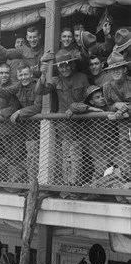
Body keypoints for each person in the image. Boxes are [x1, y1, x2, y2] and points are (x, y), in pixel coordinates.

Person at [38, 50, 89, 191]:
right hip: (64, 125)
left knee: (78, 155)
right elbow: (40, 91)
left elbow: (88, 99)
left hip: (81, 123)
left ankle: (75, 187)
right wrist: (42, 74)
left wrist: (75, 108)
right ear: (58, 68)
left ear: (72, 65)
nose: (65, 68)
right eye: (61, 66)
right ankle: (67, 186)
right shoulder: (55, 80)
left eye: (67, 65)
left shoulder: (82, 77)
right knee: (66, 155)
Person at [103, 50, 131, 178]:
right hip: (122, 127)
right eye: (112, 69)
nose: (115, 71)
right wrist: (116, 105)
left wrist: (124, 108)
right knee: (126, 156)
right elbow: (108, 105)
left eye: (118, 68)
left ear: (125, 69)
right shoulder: (107, 87)